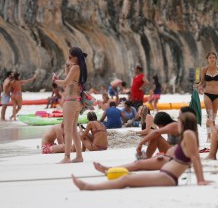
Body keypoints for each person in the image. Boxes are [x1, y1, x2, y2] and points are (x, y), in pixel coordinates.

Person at [72, 112, 209, 190]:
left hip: (167, 177)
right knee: (128, 177)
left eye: (179, 122)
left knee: (126, 179)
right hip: (166, 173)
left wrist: (201, 180)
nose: (176, 124)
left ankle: (89, 187)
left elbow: (195, 158)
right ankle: (94, 182)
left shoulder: (189, 135)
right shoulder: (187, 135)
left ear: (185, 124)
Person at [93, 106, 197, 174]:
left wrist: (141, 143)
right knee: (140, 164)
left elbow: (155, 133)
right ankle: (144, 159)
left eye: (180, 115)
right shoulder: (187, 130)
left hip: (174, 159)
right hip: (174, 156)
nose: (178, 117)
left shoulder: (176, 126)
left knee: (138, 164)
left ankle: (111, 169)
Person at [53, 47, 87, 163]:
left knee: (67, 130)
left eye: (70, 57)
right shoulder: (80, 68)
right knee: (73, 130)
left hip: (70, 102)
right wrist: (67, 67)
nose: (69, 59)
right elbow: (69, 83)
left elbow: (65, 83)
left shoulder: (76, 67)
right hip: (77, 101)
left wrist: (55, 81)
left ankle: (67, 157)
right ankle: (79, 156)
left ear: (75, 57)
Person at [196, 52, 218, 142]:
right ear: (207, 59)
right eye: (210, 57)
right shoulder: (204, 69)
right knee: (209, 116)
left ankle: (213, 134)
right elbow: (202, 82)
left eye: (213, 57)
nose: (212, 59)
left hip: (217, 95)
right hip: (208, 94)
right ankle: (209, 136)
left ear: (216, 58)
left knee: (213, 117)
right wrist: (198, 86)